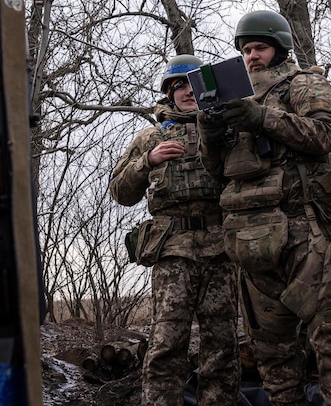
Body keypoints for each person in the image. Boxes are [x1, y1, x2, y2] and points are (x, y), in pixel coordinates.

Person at [196, 11, 331, 406]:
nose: (251, 56)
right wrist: (209, 134)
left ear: (279, 46)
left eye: (259, 47)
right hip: (250, 240)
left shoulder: (306, 83)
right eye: (245, 50)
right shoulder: (231, 99)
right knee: (272, 358)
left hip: (307, 235)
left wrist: (263, 117)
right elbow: (215, 171)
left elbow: (324, 135)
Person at [109, 54, 240, 406]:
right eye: (178, 85)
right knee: (167, 344)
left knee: (222, 346)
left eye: (193, 84)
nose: (186, 91)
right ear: (168, 93)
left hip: (221, 249)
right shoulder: (149, 137)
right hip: (172, 252)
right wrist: (147, 161)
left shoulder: (227, 128)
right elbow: (120, 192)